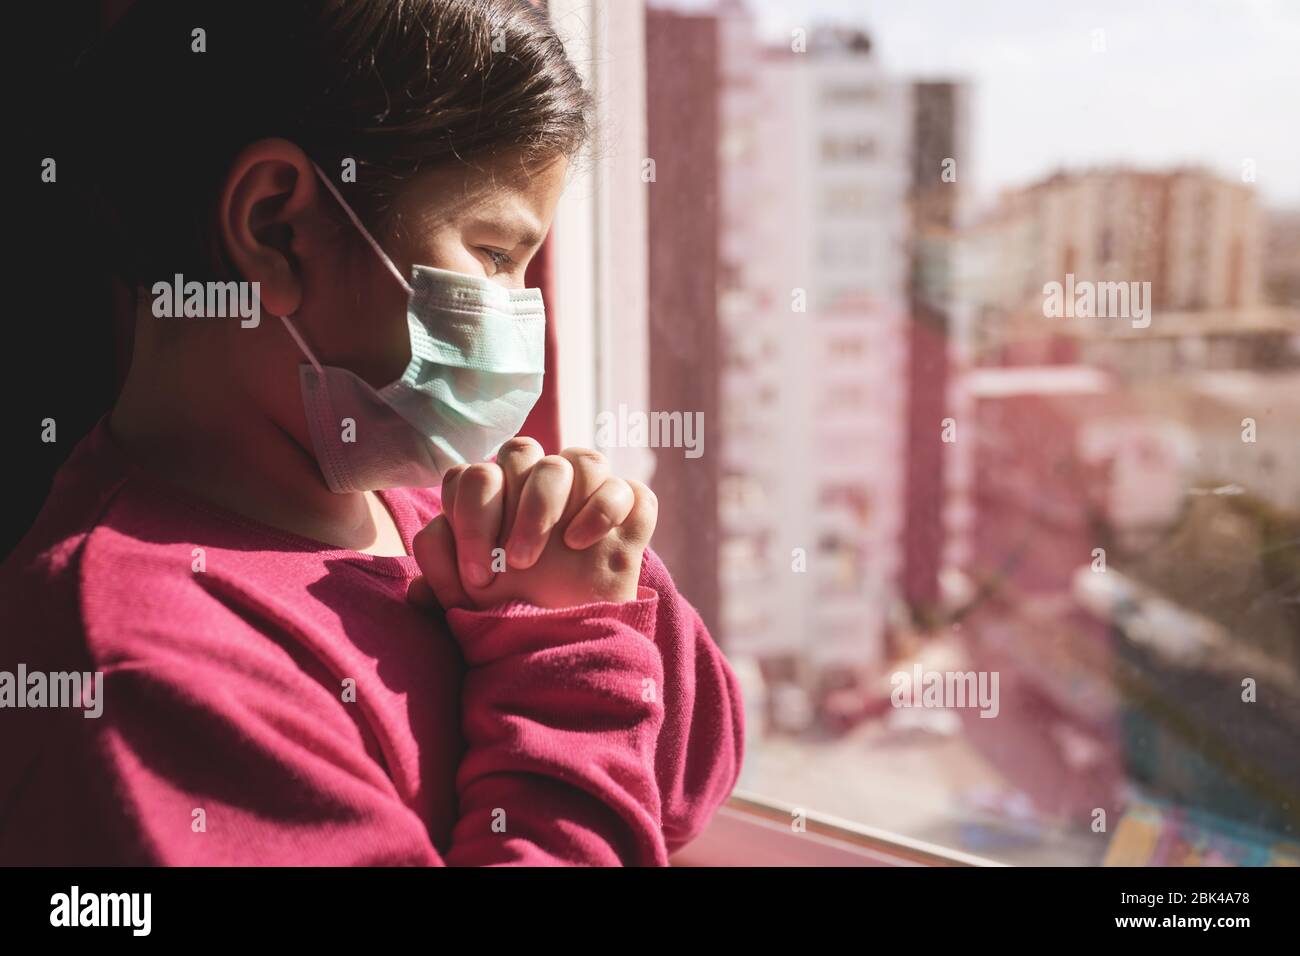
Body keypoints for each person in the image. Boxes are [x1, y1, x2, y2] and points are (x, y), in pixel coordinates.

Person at [0, 0, 744, 866]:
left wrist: (599, 567)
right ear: (276, 229)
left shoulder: (412, 492)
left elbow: (687, 783)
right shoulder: (142, 682)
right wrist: (566, 648)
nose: (524, 316)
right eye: (497, 252)